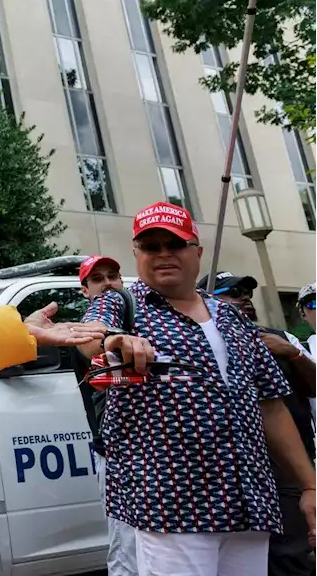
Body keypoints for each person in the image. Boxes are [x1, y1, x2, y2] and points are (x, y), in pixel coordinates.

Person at [80, 201, 317, 576]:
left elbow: (271, 406)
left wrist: (309, 486)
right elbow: (90, 336)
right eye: (151, 246)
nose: (163, 254)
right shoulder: (120, 303)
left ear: (197, 251)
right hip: (172, 506)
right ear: (136, 253)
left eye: (174, 244)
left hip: (249, 503)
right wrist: (114, 340)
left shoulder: (232, 318)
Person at [208, 271, 317, 576]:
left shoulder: (281, 338)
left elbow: (314, 387)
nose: (243, 297)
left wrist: (293, 355)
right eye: (231, 292)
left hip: (288, 472)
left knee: (293, 557)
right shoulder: (202, 345)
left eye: (245, 291)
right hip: (237, 474)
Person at [69, 255, 136, 576]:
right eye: (98, 279)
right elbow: (92, 345)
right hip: (116, 454)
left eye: (113, 276)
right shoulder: (90, 324)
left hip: (161, 457)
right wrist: (114, 341)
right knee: (126, 547)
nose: (108, 283)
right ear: (85, 290)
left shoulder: (140, 316)